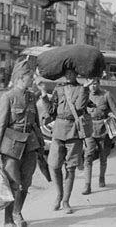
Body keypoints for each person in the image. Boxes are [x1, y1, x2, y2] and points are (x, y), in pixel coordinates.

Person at [0, 59, 43, 227]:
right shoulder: (8, 97)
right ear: (21, 77)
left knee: (25, 183)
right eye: (30, 76)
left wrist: (41, 146)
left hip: (30, 146)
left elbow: (36, 123)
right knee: (13, 183)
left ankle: (17, 211)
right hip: (11, 148)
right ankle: (8, 220)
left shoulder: (31, 97)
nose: (33, 79)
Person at [40, 69, 91, 214]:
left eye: (72, 73)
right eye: (67, 73)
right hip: (58, 131)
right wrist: (44, 95)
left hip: (74, 132)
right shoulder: (59, 88)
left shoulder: (82, 89)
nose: (69, 76)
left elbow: (80, 108)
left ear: (76, 74)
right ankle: (59, 194)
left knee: (70, 168)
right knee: (54, 165)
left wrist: (86, 89)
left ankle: (66, 201)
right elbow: (51, 111)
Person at [81, 77, 116, 195]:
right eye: (91, 84)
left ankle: (102, 178)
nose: (93, 86)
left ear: (99, 84)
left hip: (103, 129)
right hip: (89, 129)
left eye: (95, 83)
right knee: (88, 156)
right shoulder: (85, 95)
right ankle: (87, 185)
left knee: (103, 156)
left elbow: (115, 111)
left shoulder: (106, 95)